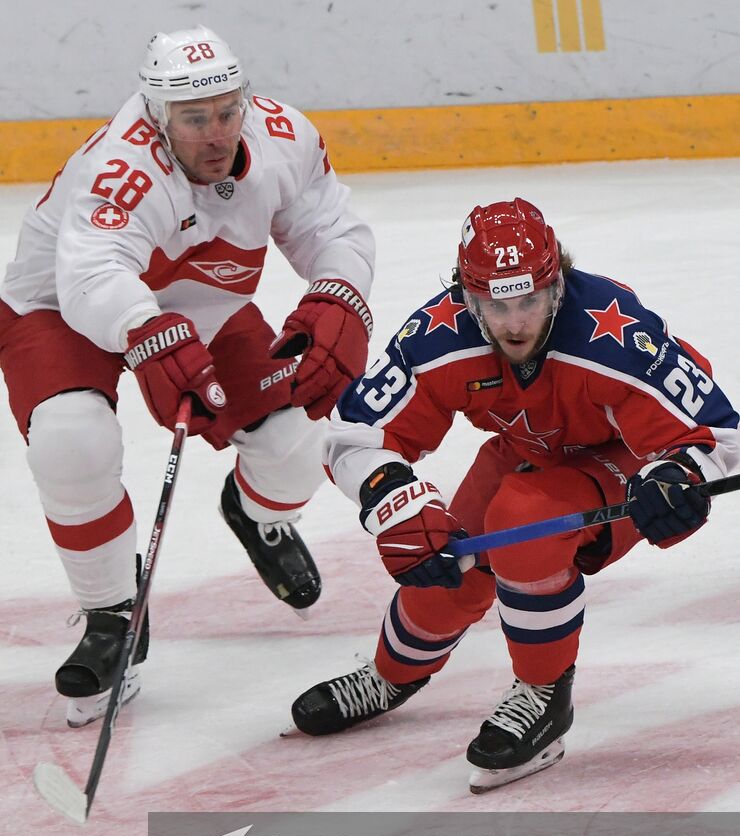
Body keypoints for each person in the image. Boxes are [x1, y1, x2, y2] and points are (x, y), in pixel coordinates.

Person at [290, 197, 740, 792]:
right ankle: (389, 675)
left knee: (522, 522)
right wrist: (397, 504)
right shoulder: (439, 336)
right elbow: (356, 437)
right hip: (530, 448)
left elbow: (719, 434)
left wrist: (679, 476)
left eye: (528, 300)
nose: (515, 323)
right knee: (447, 562)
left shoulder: (613, 334)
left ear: (557, 284)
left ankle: (544, 693)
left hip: (625, 459)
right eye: (495, 305)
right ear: (466, 295)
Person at [0, 26, 374, 727]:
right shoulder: (122, 167)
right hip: (62, 305)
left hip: (195, 303)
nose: (216, 134)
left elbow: (331, 228)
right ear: (156, 114)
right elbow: (90, 276)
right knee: (70, 440)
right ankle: (113, 613)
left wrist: (342, 293)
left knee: (294, 454)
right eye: (194, 119)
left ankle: (255, 515)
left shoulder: (284, 138)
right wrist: (146, 332)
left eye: (228, 112)